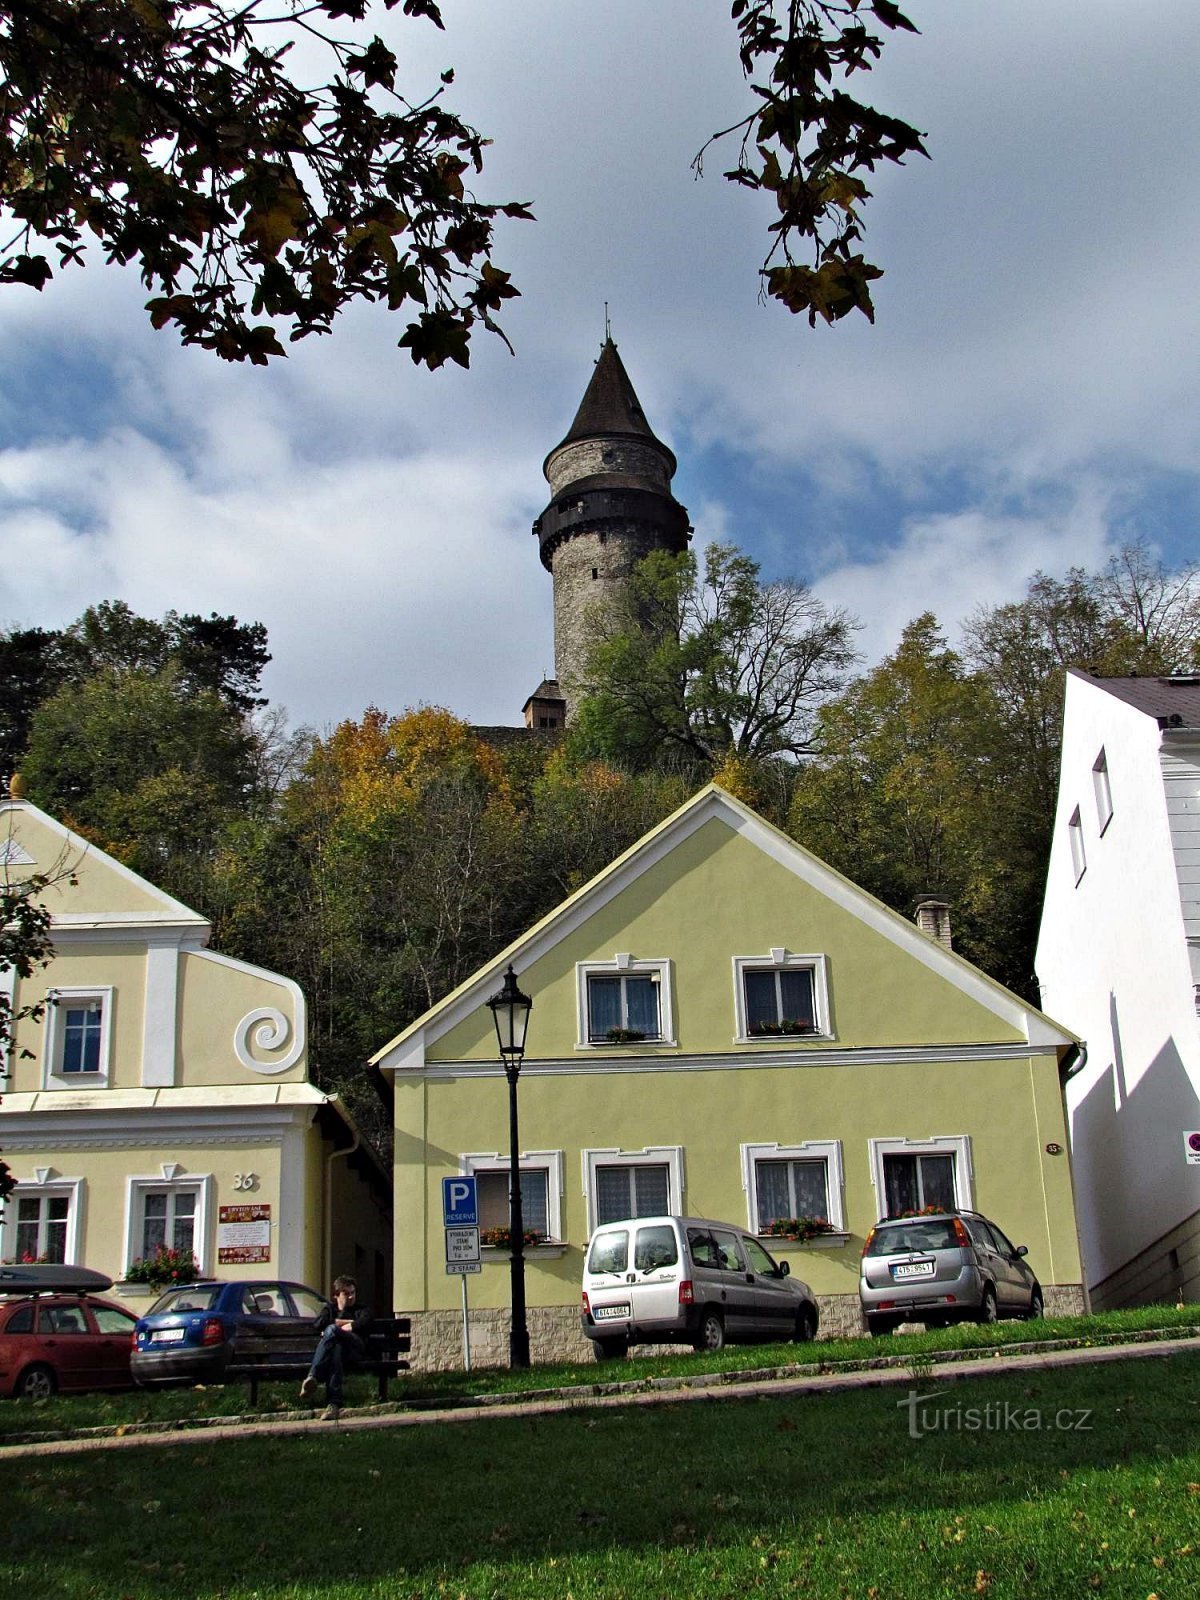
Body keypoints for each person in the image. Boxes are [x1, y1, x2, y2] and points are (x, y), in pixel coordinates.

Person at [300, 1274, 370, 1421]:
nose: (351, 1297)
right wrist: (343, 1320)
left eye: (353, 1293)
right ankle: (333, 1405)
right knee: (335, 1350)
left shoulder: (361, 1309)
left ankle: (313, 1376)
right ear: (336, 1295)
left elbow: (364, 1323)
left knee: (331, 1330)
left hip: (355, 1349)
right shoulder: (329, 1309)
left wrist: (340, 1327)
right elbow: (318, 1324)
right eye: (346, 1294)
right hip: (338, 1354)